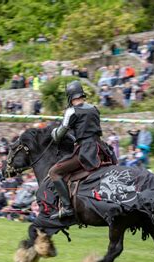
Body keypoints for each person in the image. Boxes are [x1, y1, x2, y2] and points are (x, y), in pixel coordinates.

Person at [49, 80, 115, 220]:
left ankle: (67, 208)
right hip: (100, 148)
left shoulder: (71, 111)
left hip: (86, 150)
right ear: (82, 94)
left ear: (70, 97)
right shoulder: (94, 108)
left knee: (54, 172)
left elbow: (58, 136)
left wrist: (53, 131)